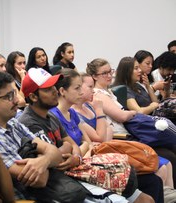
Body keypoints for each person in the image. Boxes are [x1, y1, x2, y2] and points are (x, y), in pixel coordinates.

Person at [18, 67, 154, 202]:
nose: (54, 91)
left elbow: (70, 145)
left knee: (147, 195)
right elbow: (54, 159)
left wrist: (74, 156)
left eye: (53, 86)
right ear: (33, 96)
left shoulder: (50, 116)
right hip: (60, 181)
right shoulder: (29, 122)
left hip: (75, 168)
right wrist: (64, 151)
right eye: (48, 89)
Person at [0, 70, 88, 202]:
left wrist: (42, 160)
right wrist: (45, 155)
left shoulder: (13, 123)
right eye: (9, 96)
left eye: (15, 93)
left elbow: (55, 153)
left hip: (53, 193)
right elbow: (40, 180)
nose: (17, 100)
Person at [86, 58, 176, 190]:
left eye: (110, 71)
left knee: (169, 152)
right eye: (104, 73)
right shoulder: (99, 94)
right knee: (166, 159)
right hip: (120, 136)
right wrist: (133, 112)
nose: (109, 75)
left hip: (129, 132)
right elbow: (121, 116)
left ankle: (170, 195)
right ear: (94, 76)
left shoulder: (108, 91)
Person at [50, 69, 94, 157]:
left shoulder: (72, 112)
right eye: (77, 88)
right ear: (62, 91)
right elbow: (71, 156)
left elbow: (90, 145)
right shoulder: (53, 116)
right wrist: (85, 146)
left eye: (81, 87)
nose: (81, 92)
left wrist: (86, 148)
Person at [72, 73, 114, 142]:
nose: (93, 90)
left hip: (104, 146)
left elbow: (109, 128)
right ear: (78, 88)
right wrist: (99, 110)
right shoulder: (74, 114)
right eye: (90, 87)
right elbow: (99, 138)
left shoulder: (89, 105)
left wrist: (104, 143)